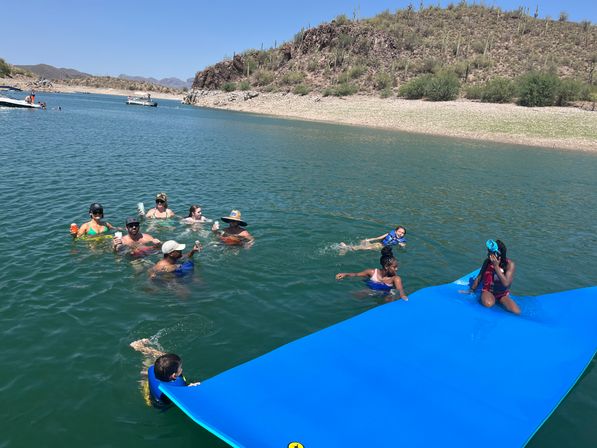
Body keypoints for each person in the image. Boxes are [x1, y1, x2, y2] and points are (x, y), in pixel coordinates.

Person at [130, 338, 199, 405]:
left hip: (151, 386)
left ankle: (140, 347)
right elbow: (184, 397)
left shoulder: (152, 369)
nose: (181, 369)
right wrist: (190, 388)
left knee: (158, 363)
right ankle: (141, 348)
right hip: (160, 403)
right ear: (174, 375)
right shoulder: (178, 386)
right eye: (180, 368)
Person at [336, 247, 408, 300]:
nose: (397, 269)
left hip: (386, 294)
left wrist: (403, 296)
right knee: (354, 295)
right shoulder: (371, 272)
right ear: (386, 266)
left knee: (389, 299)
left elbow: (400, 290)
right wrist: (345, 274)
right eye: (394, 267)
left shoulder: (395, 278)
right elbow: (356, 274)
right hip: (370, 291)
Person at [469, 239, 520, 315]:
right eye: (488, 252)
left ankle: (499, 301)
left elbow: (506, 283)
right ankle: (491, 299)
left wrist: (496, 266)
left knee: (516, 312)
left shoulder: (509, 264)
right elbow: (479, 277)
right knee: (488, 304)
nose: (488, 254)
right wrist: (471, 290)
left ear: (497, 254)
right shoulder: (487, 262)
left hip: (502, 294)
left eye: (490, 253)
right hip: (488, 291)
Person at [339, 226, 407, 252]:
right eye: (399, 231)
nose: (401, 233)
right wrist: (368, 240)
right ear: (395, 231)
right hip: (378, 245)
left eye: (403, 233)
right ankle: (346, 247)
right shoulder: (388, 234)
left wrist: (401, 246)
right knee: (366, 248)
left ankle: (345, 248)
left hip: (382, 247)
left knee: (365, 246)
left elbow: (400, 249)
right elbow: (378, 238)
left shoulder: (401, 241)